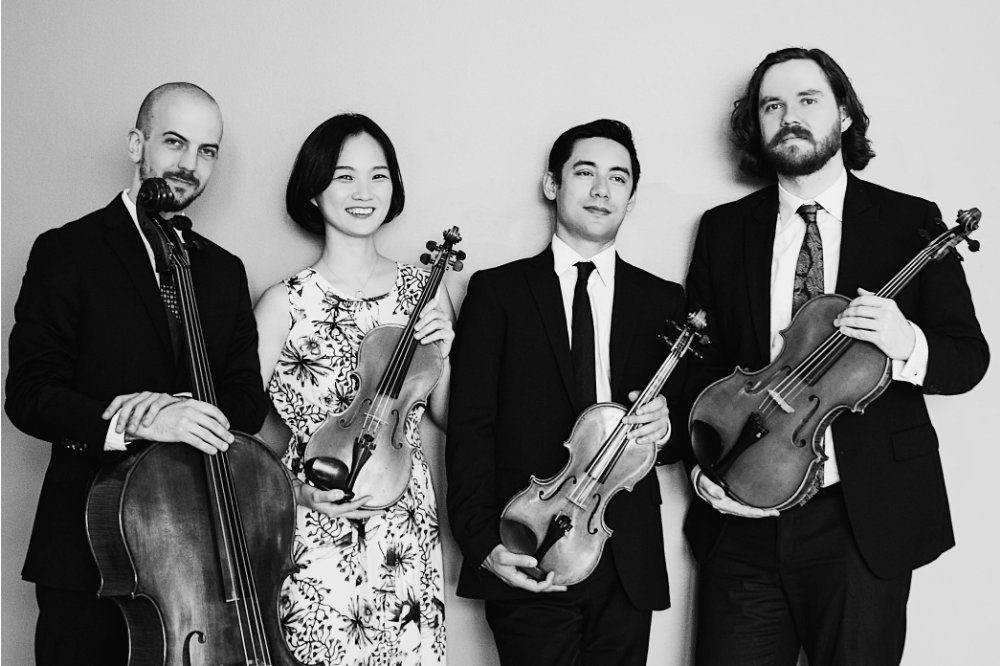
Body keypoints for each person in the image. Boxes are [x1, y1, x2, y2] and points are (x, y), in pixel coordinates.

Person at [683, 47, 989, 665]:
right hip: (742, 516)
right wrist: (703, 465)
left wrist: (906, 342)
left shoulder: (912, 222)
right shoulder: (723, 228)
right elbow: (701, 366)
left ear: (844, 115)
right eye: (772, 106)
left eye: (808, 100)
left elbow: (967, 358)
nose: (789, 117)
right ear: (756, 125)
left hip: (863, 517)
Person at [5, 82, 269, 666]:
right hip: (89, 554)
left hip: (197, 557)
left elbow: (247, 400)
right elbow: (29, 393)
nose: (190, 164)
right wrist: (139, 422)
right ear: (136, 144)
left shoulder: (223, 271)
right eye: (174, 142)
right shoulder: (66, 251)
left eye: (207, 150)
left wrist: (184, 409)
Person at [447, 118, 687, 666]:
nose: (602, 189)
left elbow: (677, 438)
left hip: (624, 555)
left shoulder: (663, 301)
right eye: (585, 173)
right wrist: (483, 544)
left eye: (618, 178)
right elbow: (470, 429)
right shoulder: (497, 291)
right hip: (527, 543)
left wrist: (665, 426)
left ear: (631, 198)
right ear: (552, 185)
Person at [255, 113, 451, 665]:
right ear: (313, 191)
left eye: (378, 176)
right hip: (314, 517)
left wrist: (446, 347)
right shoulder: (282, 304)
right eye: (344, 176)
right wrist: (296, 494)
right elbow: (238, 432)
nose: (364, 192)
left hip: (403, 519)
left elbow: (447, 414)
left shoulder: (426, 291)